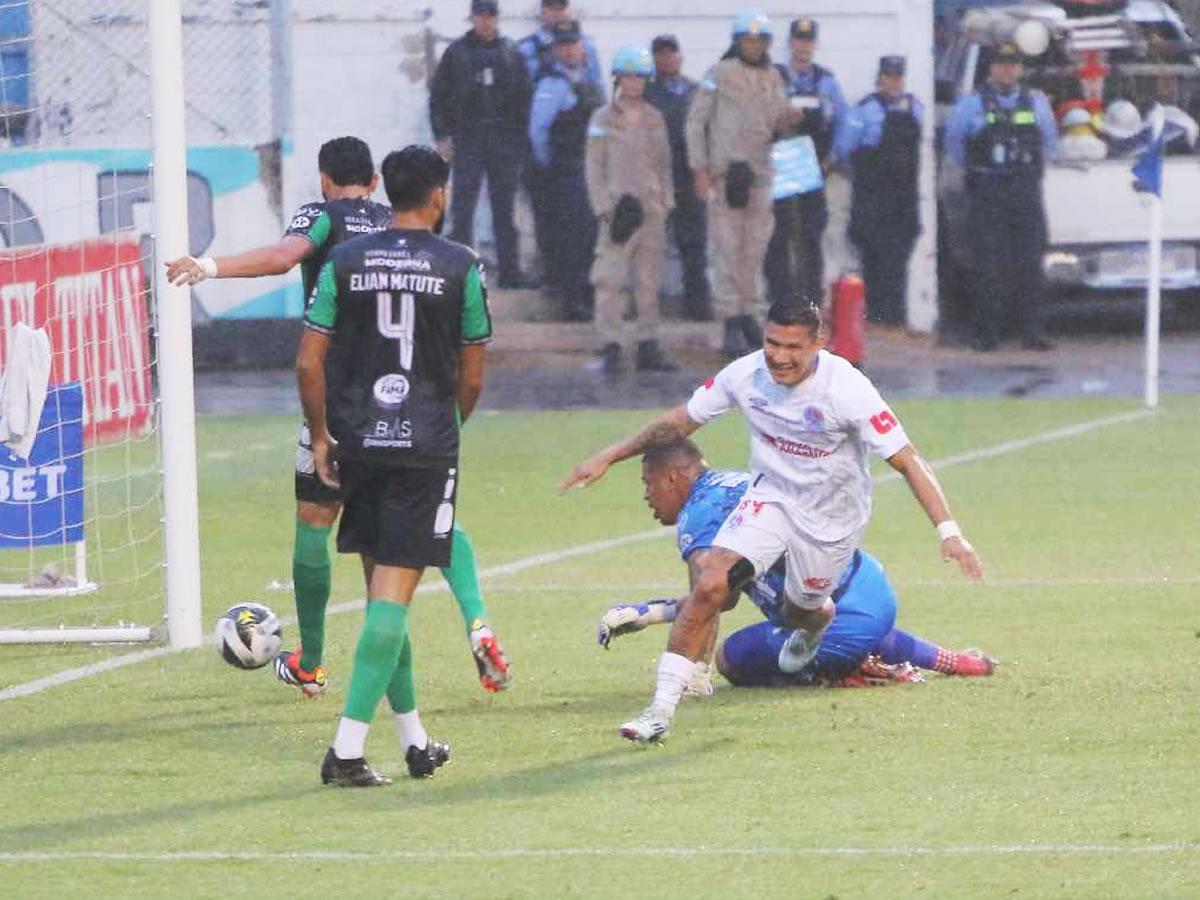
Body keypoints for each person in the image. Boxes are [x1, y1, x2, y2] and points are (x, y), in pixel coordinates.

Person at [165, 137, 511, 697]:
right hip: (414, 401)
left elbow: (284, 258)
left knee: (314, 524)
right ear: (376, 182)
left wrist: (206, 266)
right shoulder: (404, 223)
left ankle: (315, 661)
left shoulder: (323, 217)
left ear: (325, 180)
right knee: (427, 523)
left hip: (344, 402)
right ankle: (476, 621)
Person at [562, 301, 983, 743]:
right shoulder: (744, 375)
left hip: (829, 523)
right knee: (711, 583)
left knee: (799, 609)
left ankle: (816, 622)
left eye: (792, 347)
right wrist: (608, 455)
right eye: (771, 343)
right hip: (768, 499)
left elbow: (908, 461)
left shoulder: (848, 390)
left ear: (818, 344)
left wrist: (949, 532)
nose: (779, 357)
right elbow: (678, 423)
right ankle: (659, 711)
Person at [298, 145, 492, 786]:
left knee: (384, 588)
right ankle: (346, 751)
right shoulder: (462, 266)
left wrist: (324, 437)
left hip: (357, 441)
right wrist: (445, 429)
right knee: (392, 600)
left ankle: (414, 740)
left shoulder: (345, 261)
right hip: (423, 443)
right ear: (437, 195)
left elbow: (308, 362)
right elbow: (472, 375)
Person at [596, 440, 994, 690]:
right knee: (821, 618)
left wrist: (680, 663)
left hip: (836, 615)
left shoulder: (698, 516)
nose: (647, 497)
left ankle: (854, 669)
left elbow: (713, 601)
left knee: (732, 660)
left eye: (648, 483)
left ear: (673, 478)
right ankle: (957, 662)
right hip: (871, 586)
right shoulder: (738, 481)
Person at [686, 11, 792, 359]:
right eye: (748, 40)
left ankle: (750, 314)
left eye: (760, 41)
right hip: (726, 173)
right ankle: (730, 317)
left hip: (761, 175)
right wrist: (699, 168)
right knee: (727, 248)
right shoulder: (719, 74)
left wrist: (790, 118)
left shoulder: (774, 77)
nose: (754, 47)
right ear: (737, 42)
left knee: (755, 248)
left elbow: (776, 123)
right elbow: (696, 122)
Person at [945, 41, 1058, 352]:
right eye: (1001, 64)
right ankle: (987, 334)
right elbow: (955, 143)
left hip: (1024, 190)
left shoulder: (1035, 101)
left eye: (1012, 64)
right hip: (987, 190)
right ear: (991, 68)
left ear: (1020, 69)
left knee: (1030, 263)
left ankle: (1032, 333)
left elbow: (1049, 142)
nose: (1007, 70)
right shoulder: (972, 103)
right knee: (987, 265)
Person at [429, 0, 534, 288]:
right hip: (468, 138)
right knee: (463, 207)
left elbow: (525, 99)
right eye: (480, 16)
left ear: (497, 19)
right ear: (472, 18)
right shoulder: (457, 53)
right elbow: (438, 97)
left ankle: (510, 272)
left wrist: (520, 140)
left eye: (490, 16)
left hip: (503, 140)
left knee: (505, 207)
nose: (485, 22)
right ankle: (461, 272)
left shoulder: (511, 53)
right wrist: (442, 136)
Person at [586, 45, 676, 375]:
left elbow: (664, 164)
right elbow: (593, 166)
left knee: (648, 281)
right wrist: (602, 207)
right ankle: (610, 345)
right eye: (628, 76)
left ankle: (648, 345)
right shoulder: (602, 118)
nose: (634, 83)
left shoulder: (655, 118)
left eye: (640, 77)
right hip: (616, 210)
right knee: (609, 279)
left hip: (651, 209)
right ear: (618, 79)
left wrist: (666, 203)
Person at [836, 55, 924, 329]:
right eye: (889, 77)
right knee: (872, 257)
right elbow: (844, 148)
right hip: (873, 196)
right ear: (880, 78)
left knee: (898, 260)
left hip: (903, 197)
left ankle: (895, 317)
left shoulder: (914, 107)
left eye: (898, 77)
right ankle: (874, 318)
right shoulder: (864, 110)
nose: (894, 82)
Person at [764, 17, 846, 308]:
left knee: (812, 235)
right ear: (790, 43)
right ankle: (780, 298)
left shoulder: (826, 82)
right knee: (777, 236)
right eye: (798, 40)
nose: (803, 47)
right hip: (778, 172)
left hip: (814, 171)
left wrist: (832, 158)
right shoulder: (774, 77)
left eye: (808, 41)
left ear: (814, 45)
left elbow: (842, 124)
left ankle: (811, 298)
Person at [528, 19, 603, 321]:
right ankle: (571, 302)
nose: (570, 50)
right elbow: (538, 134)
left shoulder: (592, 81)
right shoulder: (551, 85)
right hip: (567, 173)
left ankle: (588, 296)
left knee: (591, 239)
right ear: (556, 50)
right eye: (564, 45)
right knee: (570, 240)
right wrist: (556, 168)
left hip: (593, 173)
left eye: (574, 44)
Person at [645, 34, 712, 321]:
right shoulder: (645, 92)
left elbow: (709, 129)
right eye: (661, 54)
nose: (667, 58)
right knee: (650, 246)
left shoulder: (694, 91)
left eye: (671, 53)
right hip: (656, 175)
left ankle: (698, 305)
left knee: (693, 243)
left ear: (680, 57)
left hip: (689, 173)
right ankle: (647, 308)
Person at [515, 0, 602, 89]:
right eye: (551, 7)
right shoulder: (526, 48)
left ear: (569, 9)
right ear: (542, 11)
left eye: (561, 7)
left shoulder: (586, 45)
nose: (556, 13)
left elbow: (597, 86)